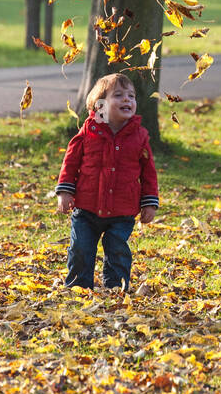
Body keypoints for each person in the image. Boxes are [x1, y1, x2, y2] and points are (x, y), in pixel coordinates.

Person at [55, 73, 158, 290]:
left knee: (117, 248)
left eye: (131, 96)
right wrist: (65, 191)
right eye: (118, 95)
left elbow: (149, 173)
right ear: (100, 105)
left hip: (122, 211)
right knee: (81, 248)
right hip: (86, 208)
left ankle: (115, 287)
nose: (127, 100)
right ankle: (78, 286)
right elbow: (71, 162)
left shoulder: (139, 137)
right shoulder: (88, 132)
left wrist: (149, 202)